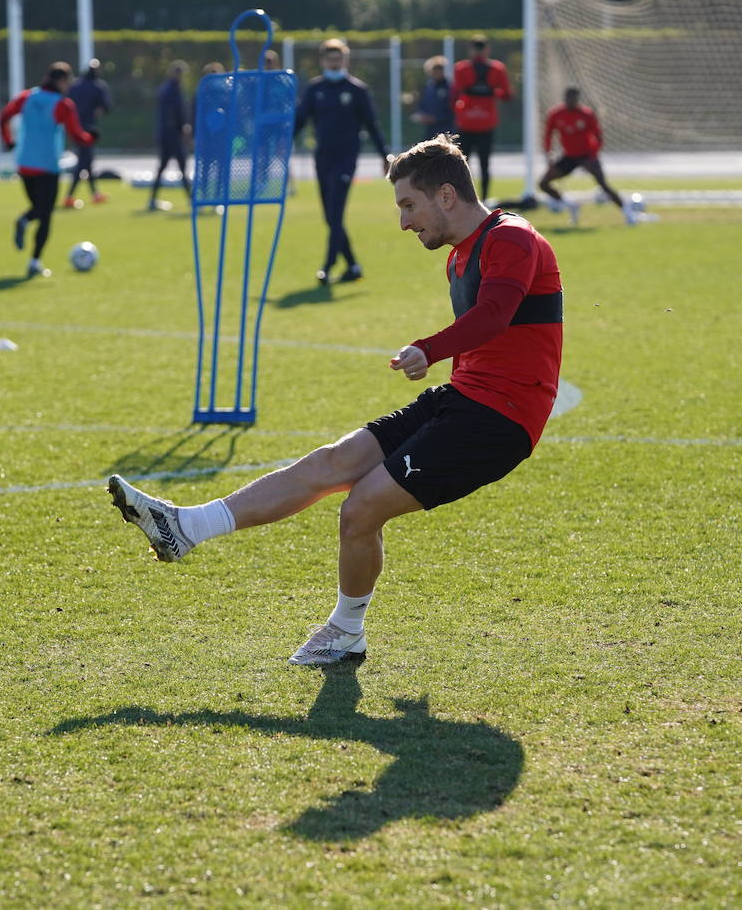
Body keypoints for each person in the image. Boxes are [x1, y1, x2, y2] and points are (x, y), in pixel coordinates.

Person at [107, 133, 563, 666]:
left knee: (361, 507)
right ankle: (185, 527)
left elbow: (495, 317)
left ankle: (346, 632)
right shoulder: (460, 256)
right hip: (463, 400)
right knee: (332, 462)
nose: (404, 222)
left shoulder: (511, 239)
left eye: (408, 205)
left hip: (500, 420)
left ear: (445, 195)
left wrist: (428, 348)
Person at [294, 38, 389, 285]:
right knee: (330, 216)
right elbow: (299, 121)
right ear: (323, 61)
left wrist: (384, 155)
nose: (334, 63)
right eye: (330, 59)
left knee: (336, 212)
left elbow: (372, 125)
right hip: (322, 158)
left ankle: (327, 266)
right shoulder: (315, 89)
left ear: (346, 60)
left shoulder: (357, 90)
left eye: (338, 59)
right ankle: (353, 266)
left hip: (346, 159)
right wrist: (279, 144)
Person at [0, 62, 97, 278]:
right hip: (47, 165)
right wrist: (91, 137)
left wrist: (8, 140)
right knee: (45, 214)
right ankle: (34, 261)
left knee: (38, 208)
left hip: (25, 164)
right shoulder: (63, 105)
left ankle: (24, 221)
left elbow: (4, 116)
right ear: (61, 81)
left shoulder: (26, 97)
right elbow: (77, 136)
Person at [540, 87, 632, 226]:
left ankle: (628, 213)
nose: (571, 101)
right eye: (569, 98)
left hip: (587, 156)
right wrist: (549, 154)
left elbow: (598, 137)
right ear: (565, 98)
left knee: (603, 185)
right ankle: (571, 205)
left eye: (574, 99)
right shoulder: (556, 114)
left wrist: (592, 156)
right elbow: (548, 135)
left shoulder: (586, 114)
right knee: (543, 184)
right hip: (569, 156)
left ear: (578, 100)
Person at [451, 34, 511, 202]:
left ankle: (464, 199)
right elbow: (507, 94)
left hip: (468, 122)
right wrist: (492, 92)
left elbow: (454, 95)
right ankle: (483, 200)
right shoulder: (497, 69)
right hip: (485, 122)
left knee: (462, 164)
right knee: (483, 164)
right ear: (487, 49)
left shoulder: (461, 68)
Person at [64, 59, 112, 207]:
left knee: (87, 161)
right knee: (83, 162)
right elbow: (106, 107)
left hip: (74, 127)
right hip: (89, 129)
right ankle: (69, 196)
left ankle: (95, 194)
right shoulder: (98, 86)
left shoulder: (75, 85)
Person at [149, 61, 192, 212]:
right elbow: (173, 114)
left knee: (165, 167)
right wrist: (182, 129)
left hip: (168, 134)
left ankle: (153, 199)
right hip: (172, 135)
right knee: (180, 167)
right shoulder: (171, 91)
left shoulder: (169, 89)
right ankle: (191, 199)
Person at [413, 55, 454, 138]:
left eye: (440, 69)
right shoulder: (428, 87)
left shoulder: (451, 87)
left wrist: (437, 118)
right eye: (435, 70)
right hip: (430, 130)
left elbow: (453, 110)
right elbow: (422, 104)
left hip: (447, 128)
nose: (438, 72)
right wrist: (422, 115)